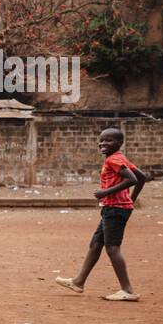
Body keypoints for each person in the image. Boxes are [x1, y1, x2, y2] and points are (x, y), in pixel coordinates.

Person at [55, 128, 146, 301]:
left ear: (119, 143)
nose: (103, 144)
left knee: (112, 248)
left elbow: (133, 179)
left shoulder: (114, 160)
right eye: (101, 140)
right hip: (113, 208)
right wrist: (131, 200)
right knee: (96, 244)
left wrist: (105, 192)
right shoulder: (120, 158)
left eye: (109, 141)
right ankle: (78, 281)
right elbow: (142, 177)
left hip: (115, 209)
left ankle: (127, 290)